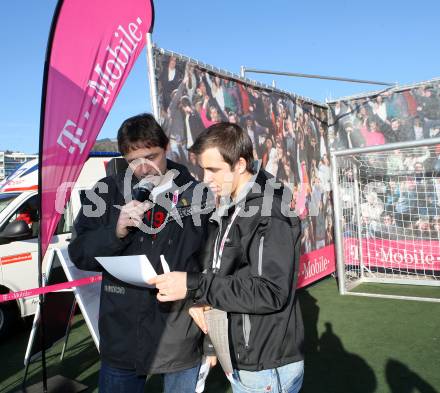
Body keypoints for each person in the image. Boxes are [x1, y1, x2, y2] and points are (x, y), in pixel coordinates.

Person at [150, 122, 305, 393]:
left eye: (213, 170)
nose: (206, 179)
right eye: (203, 170)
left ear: (240, 165)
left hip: (265, 363)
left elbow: (270, 292)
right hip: (245, 357)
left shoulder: (268, 212)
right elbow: (226, 272)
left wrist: (194, 284)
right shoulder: (234, 206)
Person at [68, 114, 214, 393]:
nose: (145, 168)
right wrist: (115, 232)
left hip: (178, 333)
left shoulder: (197, 195)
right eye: (134, 161)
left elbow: (210, 259)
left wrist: (200, 297)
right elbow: (78, 254)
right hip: (122, 336)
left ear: (167, 147)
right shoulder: (106, 191)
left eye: (152, 156)